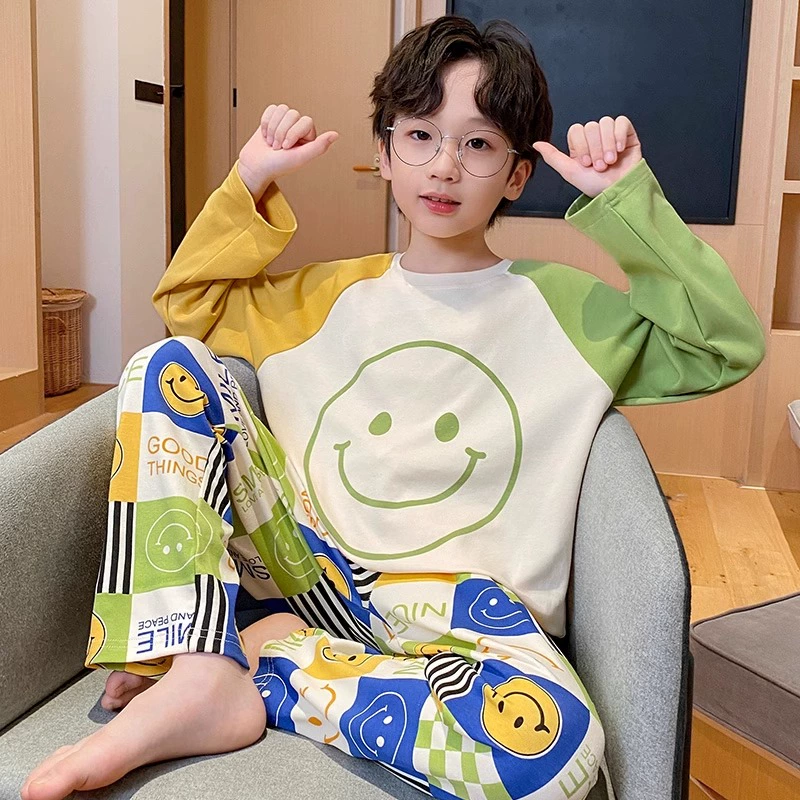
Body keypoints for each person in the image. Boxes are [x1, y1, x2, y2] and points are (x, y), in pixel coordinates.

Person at [21, 14, 765, 800]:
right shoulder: (317, 297)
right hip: (311, 570)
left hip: (473, 619)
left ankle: (271, 664)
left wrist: (627, 202)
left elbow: (722, 347)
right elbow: (188, 302)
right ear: (382, 153)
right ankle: (198, 660)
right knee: (167, 366)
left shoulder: (570, 311)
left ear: (517, 174)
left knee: (560, 753)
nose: (444, 166)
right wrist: (251, 178)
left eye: (478, 144)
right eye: (419, 135)